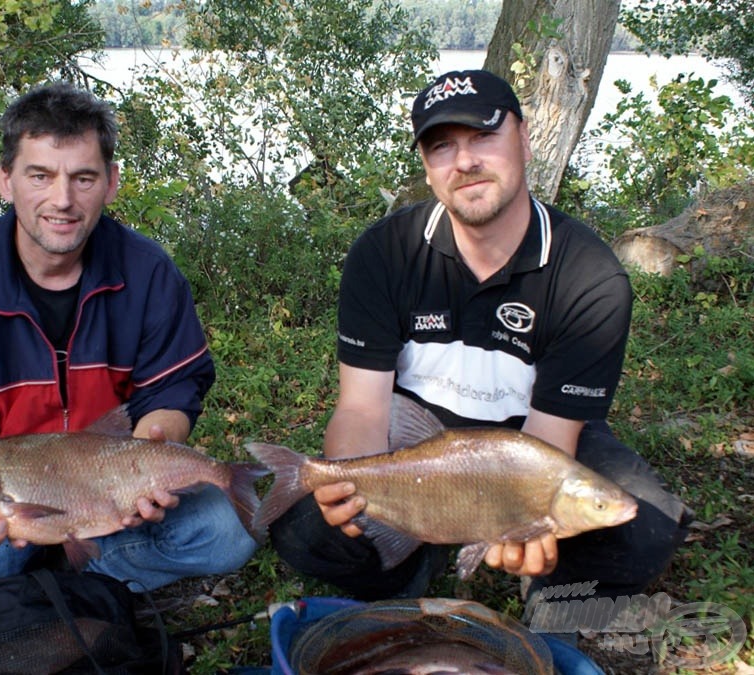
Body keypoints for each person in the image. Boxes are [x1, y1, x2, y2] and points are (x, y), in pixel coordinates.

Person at [0, 83, 257, 674]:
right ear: (6, 181)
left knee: (226, 535)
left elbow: (174, 391)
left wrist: (152, 448)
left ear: (111, 182)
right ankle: (46, 589)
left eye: (82, 177)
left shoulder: (147, 273)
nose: (62, 199)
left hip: (106, 487)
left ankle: (72, 579)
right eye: (40, 175)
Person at [268, 70, 690, 610]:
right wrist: (352, 485)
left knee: (642, 534)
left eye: (484, 136)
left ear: (526, 139)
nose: (464, 162)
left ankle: (522, 570)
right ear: (427, 166)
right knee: (308, 533)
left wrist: (526, 525)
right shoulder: (383, 252)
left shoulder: (589, 276)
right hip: (415, 442)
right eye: (443, 147)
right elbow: (362, 410)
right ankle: (416, 549)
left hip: (527, 447)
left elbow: (548, 446)